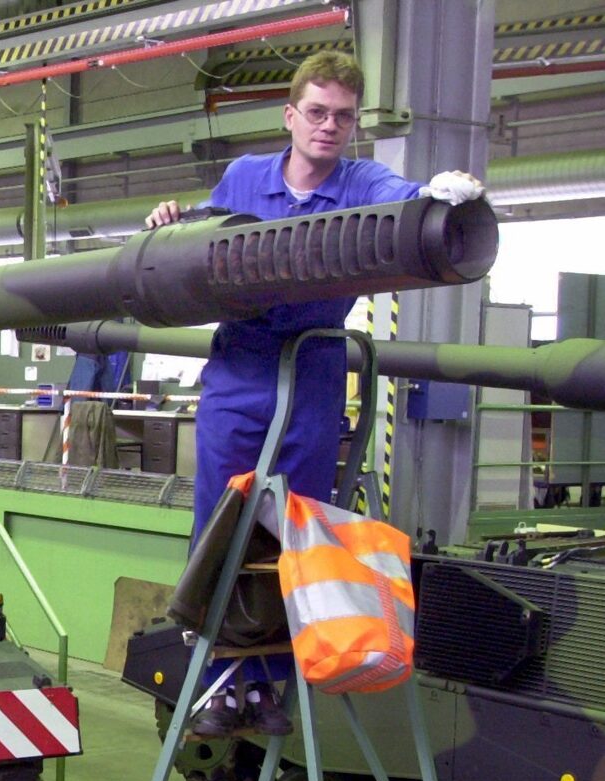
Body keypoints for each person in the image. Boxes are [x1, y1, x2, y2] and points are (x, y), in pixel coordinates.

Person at [145, 50, 485, 737]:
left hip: (314, 367)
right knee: (220, 524)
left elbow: (401, 196)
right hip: (242, 363)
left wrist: (437, 195)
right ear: (290, 116)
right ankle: (218, 684)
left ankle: (269, 684)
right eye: (318, 112)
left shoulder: (361, 182)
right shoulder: (244, 177)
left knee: (296, 533)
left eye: (344, 117)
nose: (330, 126)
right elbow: (200, 238)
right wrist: (167, 219)